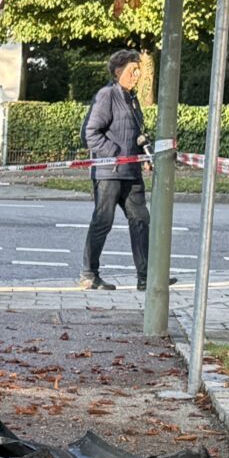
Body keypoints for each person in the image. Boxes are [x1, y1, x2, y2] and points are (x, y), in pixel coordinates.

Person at [81, 49, 155, 291]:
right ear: (118, 72)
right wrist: (116, 154)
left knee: (141, 219)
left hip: (130, 172)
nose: (136, 75)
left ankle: (146, 277)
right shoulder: (107, 95)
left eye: (138, 71)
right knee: (103, 221)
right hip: (109, 172)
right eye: (132, 71)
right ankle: (90, 274)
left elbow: (137, 134)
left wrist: (145, 155)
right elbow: (90, 134)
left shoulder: (131, 99)